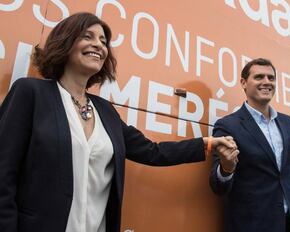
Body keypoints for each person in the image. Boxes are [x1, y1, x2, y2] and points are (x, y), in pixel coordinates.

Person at [0, 12, 238, 232]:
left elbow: (152, 152)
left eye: (103, 41)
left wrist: (207, 144)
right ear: (66, 41)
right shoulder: (30, 93)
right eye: (87, 36)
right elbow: (4, 173)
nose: (99, 45)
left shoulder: (105, 110)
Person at [209, 58, 290, 232]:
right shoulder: (228, 126)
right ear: (244, 83)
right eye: (259, 77)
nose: (267, 82)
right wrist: (226, 169)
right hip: (251, 225)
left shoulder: (287, 123)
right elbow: (218, 186)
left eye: (271, 78)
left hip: (289, 225)